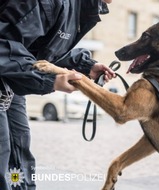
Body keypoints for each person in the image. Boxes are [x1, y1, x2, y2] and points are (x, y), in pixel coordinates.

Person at [0, 0, 115, 189]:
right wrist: (48, 80)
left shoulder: (82, 7)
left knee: (20, 154)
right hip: (7, 76)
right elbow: (5, 44)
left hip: (11, 83)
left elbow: (42, 50)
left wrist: (87, 66)